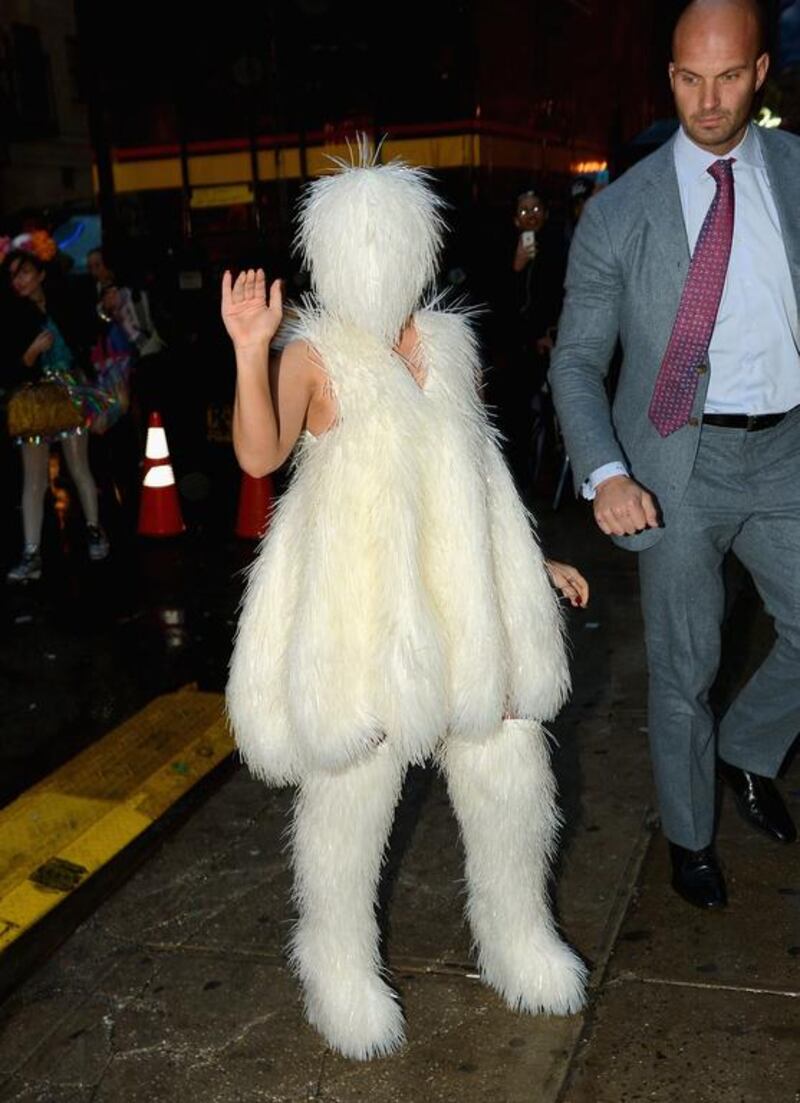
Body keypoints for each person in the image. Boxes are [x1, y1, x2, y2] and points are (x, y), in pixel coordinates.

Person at [222, 152, 588, 1060]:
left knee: (508, 766)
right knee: (352, 791)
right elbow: (261, 456)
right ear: (331, 254)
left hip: (460, 589)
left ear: (424, 247)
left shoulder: (449, 344)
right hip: (357, 608)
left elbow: (480, 467)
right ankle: (335, 960)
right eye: (362, 243)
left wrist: (531, 560)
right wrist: (246, 347)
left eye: (398, 240)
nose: (382, 260)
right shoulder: (313, 352)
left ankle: (516, 934)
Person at [550, 0, 799, 913]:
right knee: (685, 667)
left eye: (728, 76)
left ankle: (748, 748)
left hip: (787, 451)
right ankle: (691, 838)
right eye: (689, 79)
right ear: (670, 76)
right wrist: (607, 471)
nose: (708, 99)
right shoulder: (620, 213)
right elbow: (577, 360)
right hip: (670, 469)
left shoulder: (799, 174)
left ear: (760, 71)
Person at [2, 234, 110, 581]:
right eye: (14, 275)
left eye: (24, 272)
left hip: (70, 393)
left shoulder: (65, 302)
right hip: (33, 403)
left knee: (79, 466)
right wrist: (30, 353)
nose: (18, 280)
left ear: (41, 273)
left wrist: (105, 312)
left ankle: (95, 531)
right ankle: (31, 553)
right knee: (33, 479)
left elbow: (90, 336)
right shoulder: (10, 316)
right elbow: (8, 370)